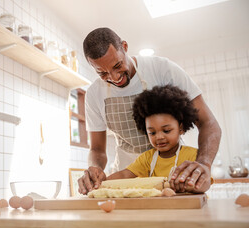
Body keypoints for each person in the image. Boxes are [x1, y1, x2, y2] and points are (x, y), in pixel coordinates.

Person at [78, 27, 221, 195]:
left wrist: (204, 163)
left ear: (124, 47)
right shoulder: (94, 94)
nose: (114, 77)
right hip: (127, 179)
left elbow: (208, 123)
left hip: (171, 176)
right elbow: (97, 149)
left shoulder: (162, 69)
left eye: (117, 65)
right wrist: (94, 169)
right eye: (102, 73)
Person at [104, 85, 211, 193]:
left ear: (181, 128)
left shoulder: (193, 155)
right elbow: (124, 174)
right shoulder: (147, 159)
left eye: (166, 130)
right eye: (152, 133)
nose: (159, 137)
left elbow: (206, 183)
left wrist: (190, 185)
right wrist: (101, 183)